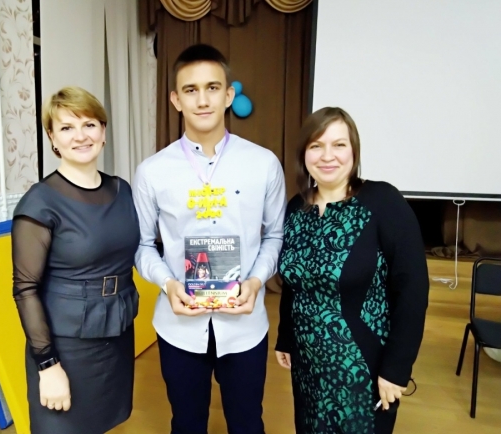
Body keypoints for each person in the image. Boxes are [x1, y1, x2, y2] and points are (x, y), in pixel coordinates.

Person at [133, 44, 286, 434]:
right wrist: (168, 284)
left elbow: (275, 236)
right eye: (191, 90)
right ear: (176, 99)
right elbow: (143, 245)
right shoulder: (152, 171)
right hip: (179, 326)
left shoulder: (264, 163)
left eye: (213, 88)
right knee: (186, 424)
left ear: (229, 95)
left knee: (247, 423)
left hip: (245, 324)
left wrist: (256, 282)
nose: (202, 100)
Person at [275, 107, 429, 433]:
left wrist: (396, 368)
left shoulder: (382, 201)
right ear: (304, 154)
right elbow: (294, 284)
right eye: (316, 146)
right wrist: (285, 337)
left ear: (354, 151)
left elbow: (413, 290)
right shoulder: (296, 208)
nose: (327, 155)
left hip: (363, 364)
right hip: (307, 363)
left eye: (339, 145)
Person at [11, 86, 140, 434]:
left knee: (103, 424)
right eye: (67, 128)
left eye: (89, 125)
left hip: (117, 334)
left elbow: (140, 250)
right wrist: (48, 365)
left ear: (103, 131)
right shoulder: (39, 203)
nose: (80, 136)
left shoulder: (122, 190)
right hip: (66, 346)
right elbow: (25, 289)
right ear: (52, 138)